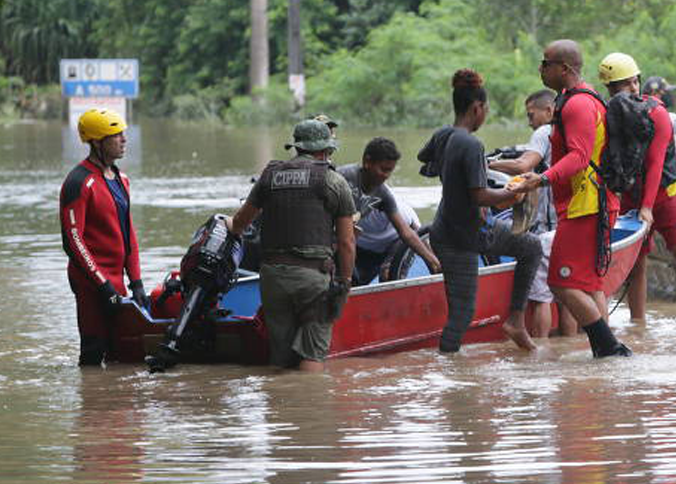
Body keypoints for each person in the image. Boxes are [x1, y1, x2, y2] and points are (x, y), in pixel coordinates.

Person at [511, 40, 631, 358]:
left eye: (545, 63)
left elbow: (579, 157)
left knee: (561, 282)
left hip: (587, 204)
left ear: (563, 69)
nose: (540, 68)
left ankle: (608, 347)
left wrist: (542, 179)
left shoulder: (578, 104)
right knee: (587, 284)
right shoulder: (574, 98)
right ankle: (603, 351)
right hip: (590, 202)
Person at [417, 68, 541, 353]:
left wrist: (446, 167)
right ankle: (450, 374)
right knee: (461, 315)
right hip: (458, 239)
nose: (485, 115)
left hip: (460, 228)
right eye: (485, 109)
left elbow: (424, 160)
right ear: (477, 108)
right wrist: (515, 191)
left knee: (531, 246)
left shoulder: (444, 135)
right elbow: (481, 196)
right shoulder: (471, 144)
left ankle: (516, 321)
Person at [228, 119, 357, 372]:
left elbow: (240, 224)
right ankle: (307, 405)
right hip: (313, 277)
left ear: (297, 147)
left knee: (280, 354)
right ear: (325, 150)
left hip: (273, 277)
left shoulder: (270, 176)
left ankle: (280, 406)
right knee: (313, 351)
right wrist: (346, 280)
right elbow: (346, 241)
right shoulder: (333, 181)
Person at [598, 52, 676, 321]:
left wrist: (647, 207)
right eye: (619, 86)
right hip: (631, 194)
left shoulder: (657, 113)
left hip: (667, 193)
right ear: (609, 89)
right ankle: (639, 325)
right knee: (634, 263)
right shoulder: (607, 115)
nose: (628, 90)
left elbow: (656, 162)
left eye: (631, 83)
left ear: (638, 82)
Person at [60, 108, 148, 366]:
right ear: (97, 142)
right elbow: (72, 240)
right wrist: (101, 284)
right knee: (93, 351)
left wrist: (137, 281)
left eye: (123, 133)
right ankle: (92, 403)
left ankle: (114, 403)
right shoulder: (78, 182)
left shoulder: (122, 179)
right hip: (90, 281)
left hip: (116, 281)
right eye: (115, 135)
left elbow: (128, 233)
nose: (123, 139)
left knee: (121, 353)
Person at [487, 88, 570, 338]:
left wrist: (487, 163)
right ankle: (568, 347)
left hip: (548, 228)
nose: (529, 120)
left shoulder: (543, 132)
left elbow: (523, 164)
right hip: (570, 222)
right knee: (567, 293)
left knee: (542, 297)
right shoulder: (570, 131)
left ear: (549, 110)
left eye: (531, 114)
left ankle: (541, 353)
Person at [338, 137, 441, 284]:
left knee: (385, 276)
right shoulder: (343, 178)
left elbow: (407, 233)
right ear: (367, 162)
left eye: (390, 171)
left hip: (392, 243)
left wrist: (432, 260)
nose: (386, 176)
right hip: (355, 241)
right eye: (383, 169)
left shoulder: (384, 195)